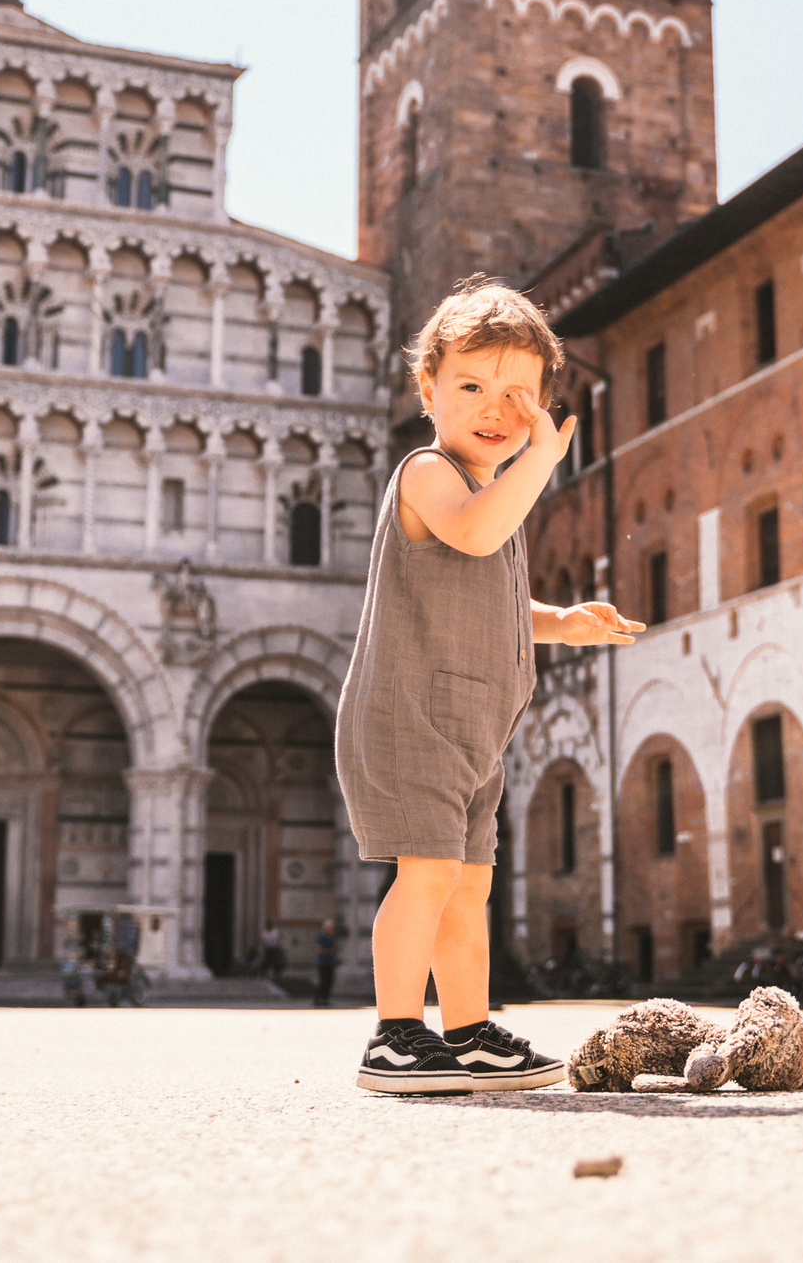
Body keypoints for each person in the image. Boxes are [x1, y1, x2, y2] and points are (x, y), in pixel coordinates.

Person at [334, 279, 637, 1093]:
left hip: (472, 729)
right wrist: (541, 458)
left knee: (470, 883)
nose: (494, 409)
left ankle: (468, 1032)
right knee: (429, 872)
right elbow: (472, 534)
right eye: (471, 386)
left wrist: (561, 620)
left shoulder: (492, 499)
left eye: (516, 395)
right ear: (428, 388)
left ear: (540, 402)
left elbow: (493, 596)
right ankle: (395, 1034)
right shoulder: (428, 473)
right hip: (410, 717)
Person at [313, 918, 339, 1009]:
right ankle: (318, 998)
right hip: (323, 963)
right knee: (323, 981)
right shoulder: (322, 937)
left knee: (329, 981)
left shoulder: (331, 937)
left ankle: (325, 998)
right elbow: (320, 950)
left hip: (330, 962)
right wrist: (330, 952)